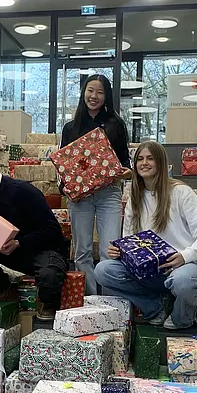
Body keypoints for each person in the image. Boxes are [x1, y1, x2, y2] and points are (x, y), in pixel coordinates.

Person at [94, 140, 197, 329]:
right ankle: (156, 307)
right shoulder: (135, 199)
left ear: (160, 162)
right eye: (140, 159)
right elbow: (131, 241)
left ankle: (182, 318)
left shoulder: (181, 192)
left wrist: (184, 256)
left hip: (187, 264)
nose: (144, 163)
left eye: (150, 158)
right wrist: (120, 252)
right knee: (104, 270)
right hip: (152, 269)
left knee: (183, 281)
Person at [0, 143, 68, 320]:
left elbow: (53, 231)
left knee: (49, 275)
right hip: (11, 252)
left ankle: (48, 303)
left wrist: (20, 243)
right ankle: (1, 290)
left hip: (42, 250)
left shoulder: (23, 191)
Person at [60, 74, 131, 295]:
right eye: (90, 90)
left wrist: (125, 172)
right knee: (82, 251)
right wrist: (65, 187)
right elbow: (64, 164)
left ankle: (111, 301)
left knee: (110, 250)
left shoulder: (116, 125)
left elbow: (125, 162)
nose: (94, 96)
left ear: (106, 96)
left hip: (108, 193)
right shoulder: (70, 128)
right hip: (80, 197)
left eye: (100, 92)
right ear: (83, 92)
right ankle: (90, 301)